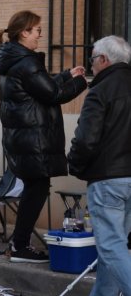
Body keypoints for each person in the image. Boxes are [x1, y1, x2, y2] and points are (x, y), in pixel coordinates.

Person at [0, 10, 87, 262]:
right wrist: (82, 82)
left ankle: (18, 243)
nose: (40, 35)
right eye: (36, 30)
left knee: (34, 188)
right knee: (37, 188)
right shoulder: (26, 62)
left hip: (22, 139)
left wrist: (67, 75)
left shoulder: (13, 61)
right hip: (32, 140)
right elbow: (53, 94)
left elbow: (40, 85)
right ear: (24, 32)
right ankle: (19, 246)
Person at [67, 35, 131, 296]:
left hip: (108, 179)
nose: (91, 65)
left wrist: (77, 166)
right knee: (114, 249)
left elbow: (86, 140)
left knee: (111, 247)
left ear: (103, 60)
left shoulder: (100, 91)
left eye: (92, 59)